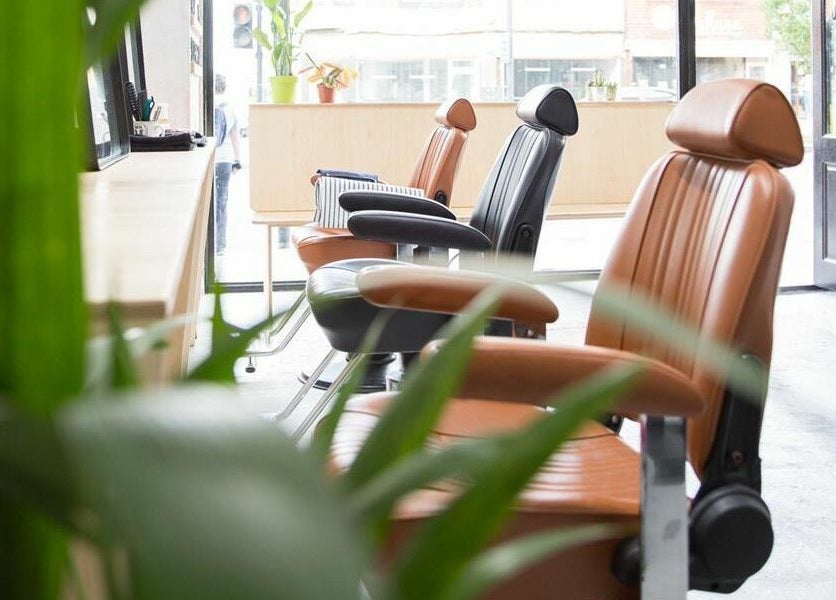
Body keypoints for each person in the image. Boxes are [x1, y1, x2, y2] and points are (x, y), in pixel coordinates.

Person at [213, 74, 241, 254]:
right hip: (224, 159)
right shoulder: (230, 108)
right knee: (222, 201)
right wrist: (237, 161)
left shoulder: (206, 104)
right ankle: (220, 245)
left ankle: (208, 242)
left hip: (210, 159)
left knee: (208, 202)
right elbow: (235, 138)